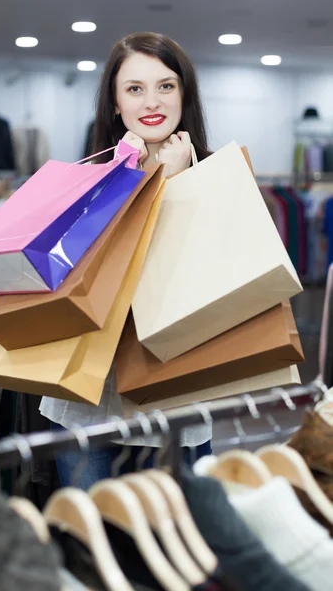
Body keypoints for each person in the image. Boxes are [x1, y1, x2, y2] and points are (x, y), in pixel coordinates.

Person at [39, 32, 212, 490]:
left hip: (176, 391)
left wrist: (176, 186)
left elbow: (213, 286)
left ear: (184, 94)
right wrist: (122, 180)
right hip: (88, 396)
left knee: (178, 544)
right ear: (115, 103)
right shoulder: (85, 180)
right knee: (93, 539)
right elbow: (72, 278)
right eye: (134, 88)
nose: (151, 100)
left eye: (166, 85)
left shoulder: (217, 178)